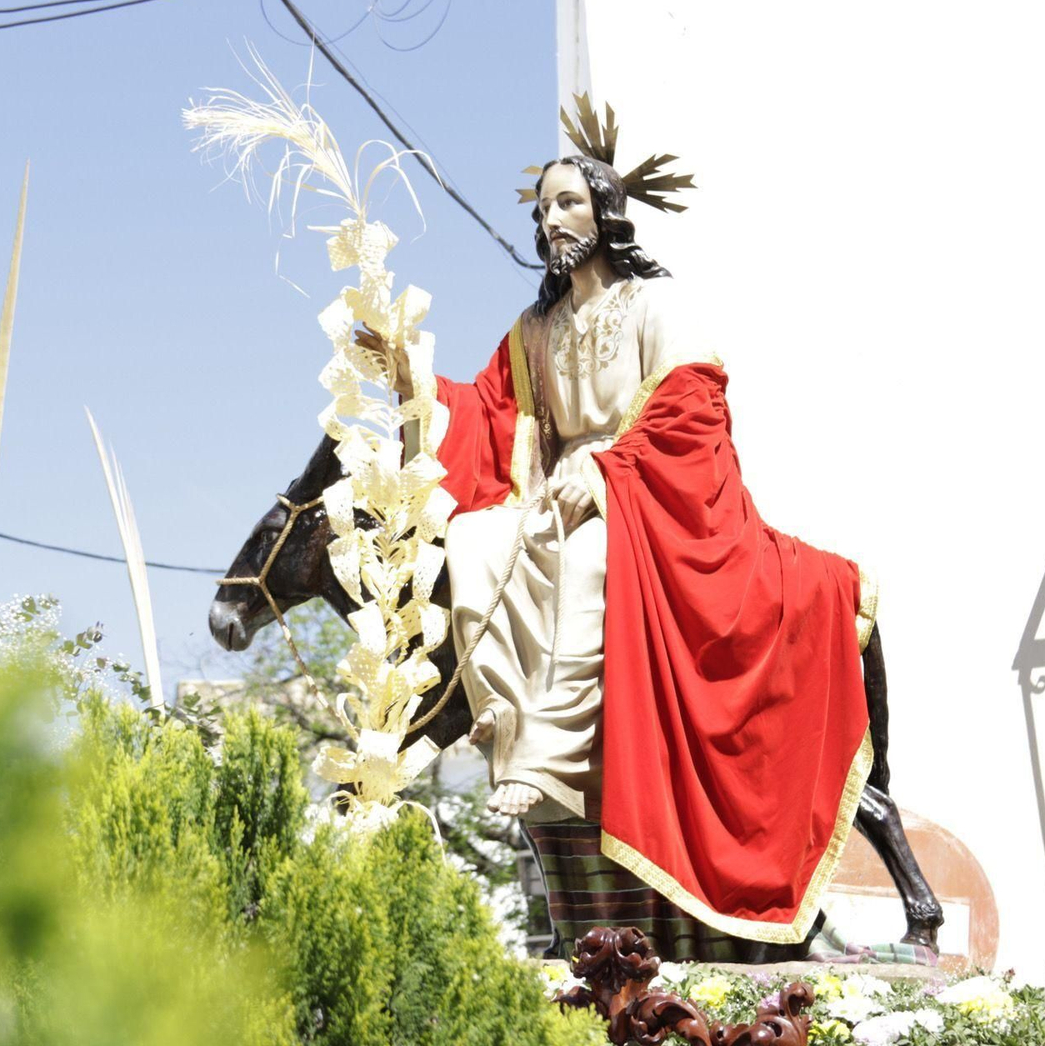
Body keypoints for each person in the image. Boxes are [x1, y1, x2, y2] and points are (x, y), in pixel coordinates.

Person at [366, 149, 877, 947]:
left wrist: (606, 472)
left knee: (587, 557)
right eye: (541, 209)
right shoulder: (535, 329)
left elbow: (690, 409)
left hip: (639, 492)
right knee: (474, 537)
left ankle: (549, 751)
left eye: (567, 203)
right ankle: (503, 713)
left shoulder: (654, 305)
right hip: (558, 490)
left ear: (604, 211)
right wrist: (408, 373)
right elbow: (485, 416)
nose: (551, 220)